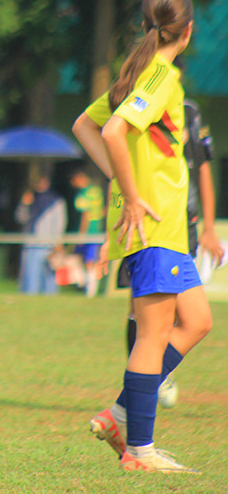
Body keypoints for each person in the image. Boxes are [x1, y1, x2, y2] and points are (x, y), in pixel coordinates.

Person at [72, 0, 212, 473]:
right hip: (153, 225)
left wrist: (120, 178)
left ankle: (119, 415)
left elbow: (84, 125)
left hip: (166, 228)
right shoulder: (159, 78)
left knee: (197, 321)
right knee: (153, 336)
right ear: (188, 30)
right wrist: (130, 194)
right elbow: (111, 131)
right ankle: (139, 451)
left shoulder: (139, 74)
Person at [117, 96, 224, 409]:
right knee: (141, 308)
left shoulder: (188, 111)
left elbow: (202, 168)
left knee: (184, 314)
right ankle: (143, 388)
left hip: (182, 222)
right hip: (147, 219)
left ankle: (145, 385)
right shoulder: (135, 105)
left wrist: (208, 226)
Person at [14, 173, 67, 295]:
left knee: (48, 279)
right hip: (31, 245)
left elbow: (60, 223)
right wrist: (24, 204)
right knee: (30, 278)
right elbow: (20, 218)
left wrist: (58, 242)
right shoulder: (30, 199)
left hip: (48, 246)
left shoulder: (56, 201)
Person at [70, 167, 105, 296]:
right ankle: (90, 288)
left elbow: (85, 215)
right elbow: (104, 209)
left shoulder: (83, 195)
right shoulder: (97, 190)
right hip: (97, 230)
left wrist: (81, 234)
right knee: (90, 260)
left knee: (78, 259)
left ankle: (85, 285)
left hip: (88, 232)